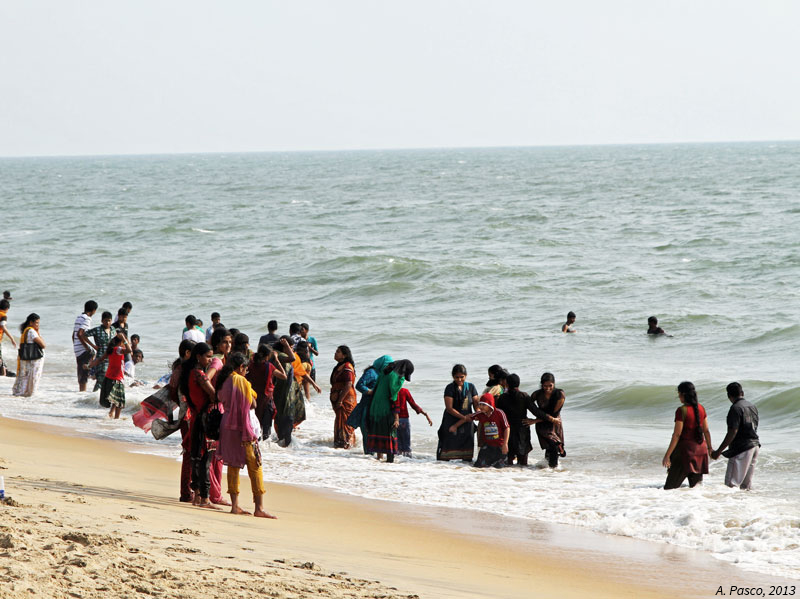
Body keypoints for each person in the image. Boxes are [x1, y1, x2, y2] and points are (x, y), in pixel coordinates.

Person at [216, 352, 276, 519]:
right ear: (241, 367)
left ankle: (235, 506)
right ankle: (259, 508)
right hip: (243, 425)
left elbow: (221, 398)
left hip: (227, 424)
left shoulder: (224, 380)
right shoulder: (241, 381)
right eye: (246, 369)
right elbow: (252, 403)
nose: (246, 372)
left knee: (233, 465)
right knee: (255, 465)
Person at [180, 342, 219, 509]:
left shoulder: (188, 373)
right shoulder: (200, 375)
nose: (210, 360)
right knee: (205, 459)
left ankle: (196, 495)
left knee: (196, 457)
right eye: (208, 356)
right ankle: (205, 498)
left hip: (195, 417)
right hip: (204, 418)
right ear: (198, 356)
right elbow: (214, 395)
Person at [662, 381, 712, 490]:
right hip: (700, 453)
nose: (678, 397)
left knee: (669, 489)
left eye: (679, 394)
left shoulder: (681, 410)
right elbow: (706, 431)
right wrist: (710, 448)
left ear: (683, 394)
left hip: (685, 453)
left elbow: (677, 435)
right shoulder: (701, 408)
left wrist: (667, 455)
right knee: (695, 490)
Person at [711, 382, 760, 490]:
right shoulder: (752, 406)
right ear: (742, 393)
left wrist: (718, 451)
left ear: (729, 396)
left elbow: (733, 431)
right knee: (746, 487)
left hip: (741, 449)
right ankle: (745, 506)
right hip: (755, 446)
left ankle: (730, 506)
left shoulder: (735, 408)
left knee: (731, 486)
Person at [365, 359, 414, 462]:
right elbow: (393, 396)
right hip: (385, 410)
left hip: (375, 407)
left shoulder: (384, 372)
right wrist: (396, 418)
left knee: (379, 433)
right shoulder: (395, 376)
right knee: (390, 435)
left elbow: (376, 389)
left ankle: (378, 459)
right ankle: (389, 463)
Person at [450, 393, 510, 468]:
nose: (480, 407)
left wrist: (505, 444)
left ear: (490, 405)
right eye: (480, 404)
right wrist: (455, 426)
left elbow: (507, 428)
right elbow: (467, 418)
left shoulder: (500, 413)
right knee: (478, 466)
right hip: (488, 446)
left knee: (499, 468)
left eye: (483, 405)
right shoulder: (480, 414)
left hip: (500, 446)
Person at [349, 355, 393, 455]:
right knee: (367, 431)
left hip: (376, 407)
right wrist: (371, 392)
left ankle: (372, 459)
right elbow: (359, 385)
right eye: (388, 365)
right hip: (367, 406)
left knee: (375, 433)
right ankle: (368, 457)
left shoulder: (382, 374)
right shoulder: (371, 373)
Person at [437, 364, 479, 462]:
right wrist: (463, 418)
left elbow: (476, 404)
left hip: (467, 422)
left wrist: (478, 413)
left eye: (462, 377)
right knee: (446, 452)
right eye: (457, 377)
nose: (459, 380)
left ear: (466, 376)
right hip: (452, 419)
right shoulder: (450, 388)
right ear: (453, 376)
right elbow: (449, 408)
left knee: (467, 454)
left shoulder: (471, 387)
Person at [246, 343, 287, 441]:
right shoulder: (269, 366)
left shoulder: (251, 365)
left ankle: (256, 444)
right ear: (268, 356)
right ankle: (266, 449)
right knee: (266, 427)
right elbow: (284, 376)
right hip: (266, 398)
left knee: (255, 423)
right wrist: (277, 360)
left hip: (254, 398)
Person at [526, 373, 566, 468]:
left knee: (553, 445)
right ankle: (550, 470)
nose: (548, 388)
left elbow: (553, 415)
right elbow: (530, 405)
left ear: (554, 384)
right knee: (550, 445)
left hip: (554, 422)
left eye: (550, 386)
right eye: (545, 386)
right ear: (541, 385)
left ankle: (552, 469)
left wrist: (534, 421)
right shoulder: (537, 394)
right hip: (542, 424)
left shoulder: (560, 394)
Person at [271, 337, 303, 446]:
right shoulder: (280, 355)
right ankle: (286, 445)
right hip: (282, 392)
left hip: (283, 391)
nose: (292, 350)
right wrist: (286, 345)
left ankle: (283, 444)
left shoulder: (279, 355)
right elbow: (292, 358)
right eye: (291, 347)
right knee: (285, 418)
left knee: (283, 417)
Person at [496, 374, 533, 466]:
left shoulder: (502, 397)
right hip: (522, 430)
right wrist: (546, 418)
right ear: (519, 384)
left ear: (507, 384)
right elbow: (536, 411)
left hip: (508, 430)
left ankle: (509, 478)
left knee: (508, 461)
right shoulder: (524, 396)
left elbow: (498, 414)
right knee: (523, 463)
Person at [329, 345, 358, 449]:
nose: (335, 353)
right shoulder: (340, 366)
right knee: (340, 420)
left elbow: (348, 384)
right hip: (340, 398)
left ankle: (346, 445)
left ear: (344, 355)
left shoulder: (347, 367)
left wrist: (340, 400)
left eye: (338, 352)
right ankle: (340, 444)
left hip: (346, 399)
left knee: (346, 422)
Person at [12, 313, 46, 397]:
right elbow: (43, 345)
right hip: (34, 358)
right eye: (37, 323)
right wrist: (38, 333)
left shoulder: (25, 330)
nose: (38, 325)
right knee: (33, 376)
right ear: (31, 322)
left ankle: (22, 392)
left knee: (25, 375)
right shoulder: (32, 331)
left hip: (26, 357)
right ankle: (30, 393)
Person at [394, 386, 432, 458]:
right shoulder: (405, 391)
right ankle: (408, 462)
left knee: (397, 446)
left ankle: (397, 463)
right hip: (404, 420)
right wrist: (425, 414)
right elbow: (413, 404)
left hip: (393, 420)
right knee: (406, 446)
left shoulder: (390, 391)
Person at [86, 311, 116, 397]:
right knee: (100, 379)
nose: (107, 323)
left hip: (111, 358)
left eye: (109, 321)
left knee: (110, 380)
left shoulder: (113, 329)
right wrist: (93, 346)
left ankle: (105, 397)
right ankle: (93, 397)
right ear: (102, 321)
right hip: (100, 358)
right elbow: (84, 335)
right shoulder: (97, 330)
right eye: (105, 320)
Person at [102, 332, 131, 419]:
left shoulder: (113, 349)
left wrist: (89, 365)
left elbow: (100, 359)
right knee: (120, 401)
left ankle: (111, 413)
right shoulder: (118, 349)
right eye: (125, 341)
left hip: (112, 377)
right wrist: (124, 339)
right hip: (117, 378)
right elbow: (129, 350)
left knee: (116, 398)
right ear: (121, 342)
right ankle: (116, 419)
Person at [72, 301, 98, 390]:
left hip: (77, 349)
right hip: (83, 350)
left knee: (81, 373)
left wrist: (75, 346)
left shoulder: (79, 317)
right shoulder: (87, 319)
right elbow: (80, 334)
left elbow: (74, 334)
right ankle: (84, 395)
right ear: (94, 310)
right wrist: (88, 347)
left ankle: (82, 393)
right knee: (85, 374)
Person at [0, 299, 18, 377]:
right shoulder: (3, 315)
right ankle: (4, 373)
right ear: (7, 308)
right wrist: (12, 338)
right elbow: (3, 327)